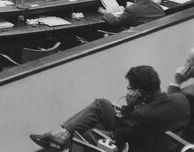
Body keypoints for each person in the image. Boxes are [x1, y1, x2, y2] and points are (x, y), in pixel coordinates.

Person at [30, 65, 190, 152]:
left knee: (89, 130)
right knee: (102, 104)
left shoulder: (141, 114)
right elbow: (167, 101)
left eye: (130, 88)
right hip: (156, 140)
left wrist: (129, 106)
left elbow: (118, 136)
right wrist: (176, 81)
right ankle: (63, 135)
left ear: (139, 92)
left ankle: (63, 136)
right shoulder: (181, 100)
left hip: (134, 144)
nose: (127, 90)